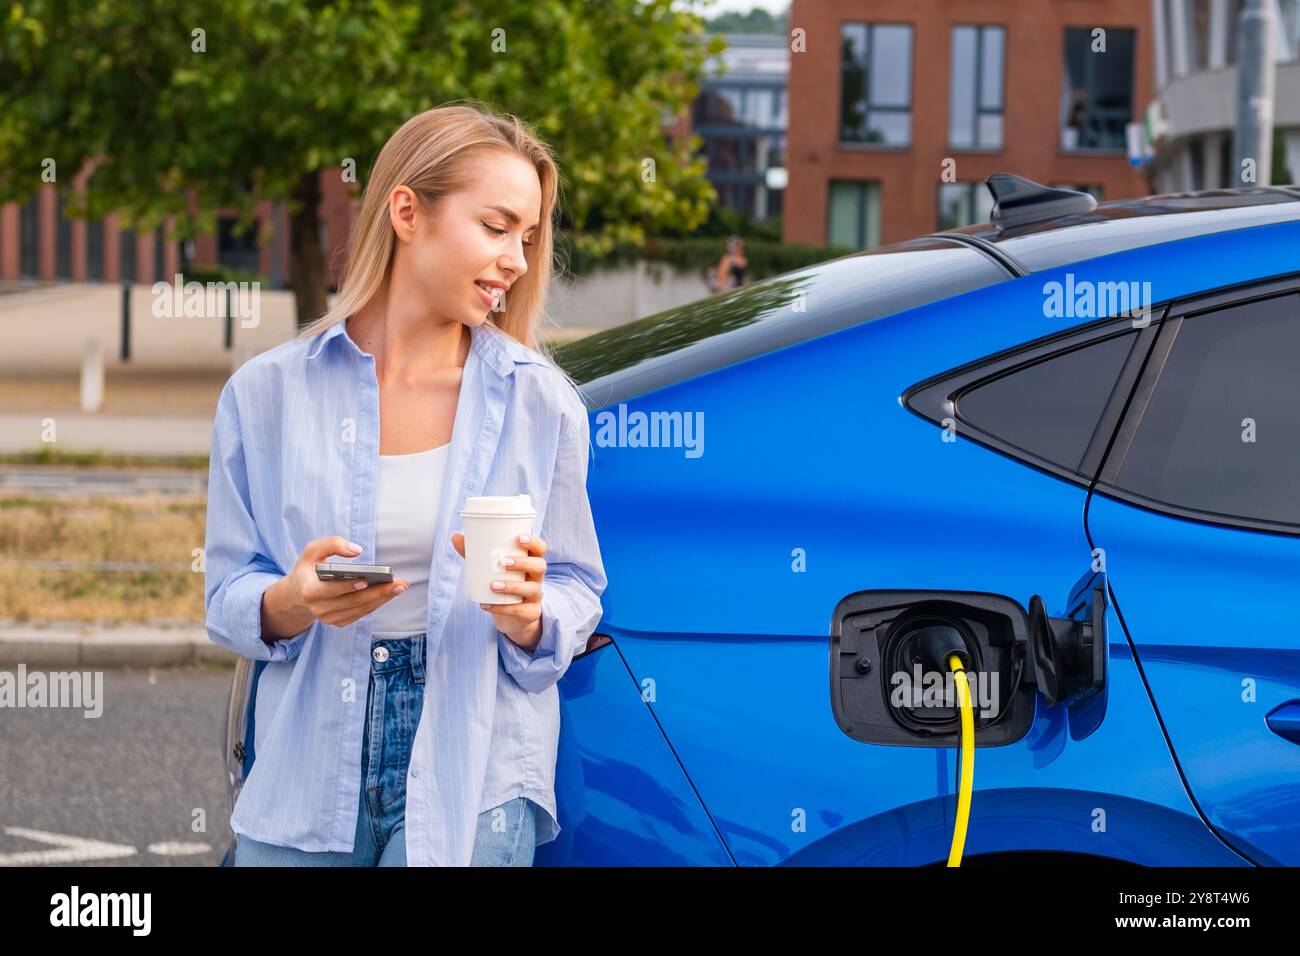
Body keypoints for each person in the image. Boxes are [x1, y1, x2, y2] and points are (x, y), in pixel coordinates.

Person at [203, 102, 607, 867]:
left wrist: (530, 615)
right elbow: (225, 597)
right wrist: (292, 600)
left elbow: (579, 587)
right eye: (497, 227)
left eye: (527, 236)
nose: (519, 260)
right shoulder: (266, 394)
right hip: (305, 759)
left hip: (476, 761)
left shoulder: (540, 401)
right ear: (407, 211)